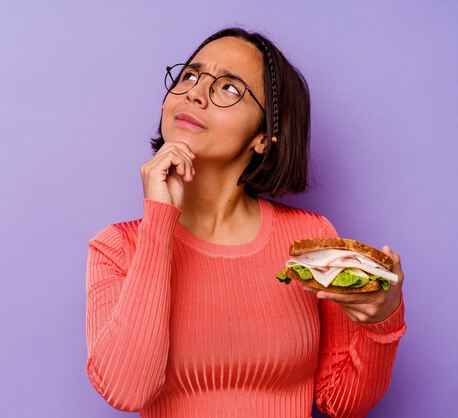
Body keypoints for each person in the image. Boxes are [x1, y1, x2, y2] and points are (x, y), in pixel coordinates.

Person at [85, 27, 406, 418]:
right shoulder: (118, 247)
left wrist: (383, 321)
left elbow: (342, 402)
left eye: (230, 88)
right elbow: (127, 390)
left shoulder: (310, 239)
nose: (195, 93)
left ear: (262, 135)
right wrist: (158, 224)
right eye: (190, 75)